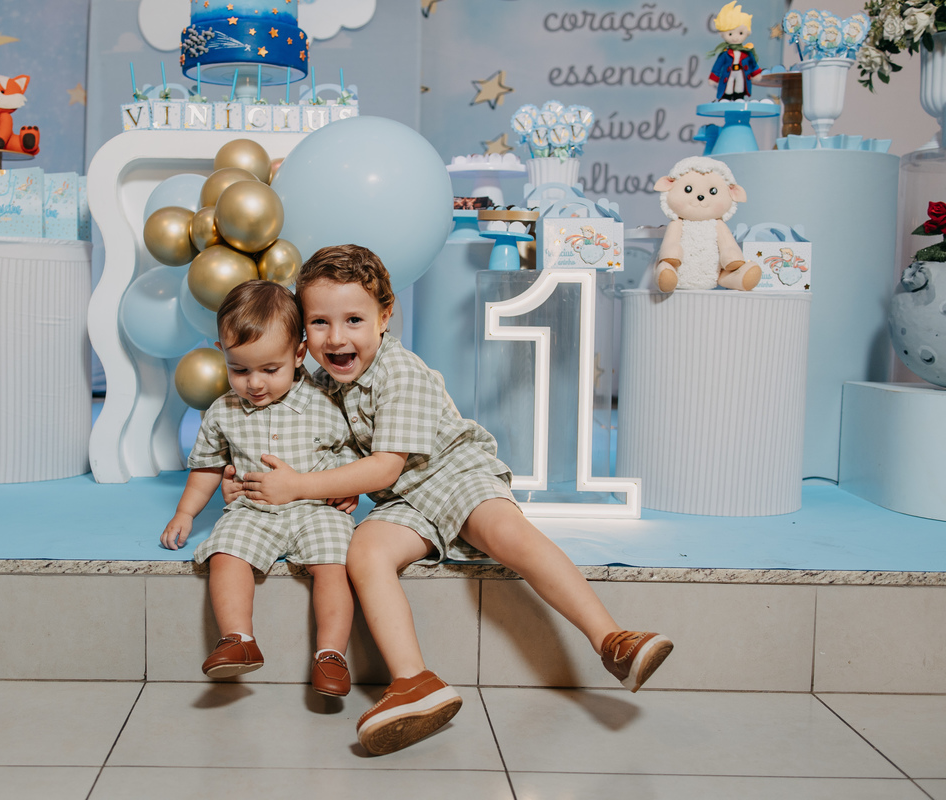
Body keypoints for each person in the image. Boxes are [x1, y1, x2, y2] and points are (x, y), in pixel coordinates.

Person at [236, 245, 674, 755]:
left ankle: (612, 641)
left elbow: (386, 465)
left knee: (505, 532)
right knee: (364, 553)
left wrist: (302, 486)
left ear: (385, 316)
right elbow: (301, 439)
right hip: (402, 502)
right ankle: (413, 681)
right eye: (319, 322)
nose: (336, 338)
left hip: (453, 472)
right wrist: (243, 475)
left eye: (354, 319)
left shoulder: (400, 372)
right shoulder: (316, 384)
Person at [160, 279, 358, 697]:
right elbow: (207, 468)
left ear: (298, 354)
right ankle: (238, 639)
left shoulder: (325, 403)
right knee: (225, 553)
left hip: (316, 509)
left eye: (270, 370)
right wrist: (185, 513)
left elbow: (349, 452)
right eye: (240, 370)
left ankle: (331, 654)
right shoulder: (223, 412)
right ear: (222, 354)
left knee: (334, 566)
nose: (254, 383)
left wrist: (348, 488)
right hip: (252, 508)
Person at [708, 2, 761, 102]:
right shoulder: (725, 53)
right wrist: (714, 78)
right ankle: (727, 98)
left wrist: (756, 73)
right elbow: (717, 66)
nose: (735, 38)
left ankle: (739, 97)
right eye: (730, 34)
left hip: (741, 73)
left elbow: (753, 64)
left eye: (740, 33)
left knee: (740, 85)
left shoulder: (747, 52)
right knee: (728, 86)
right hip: (729, 74)